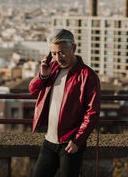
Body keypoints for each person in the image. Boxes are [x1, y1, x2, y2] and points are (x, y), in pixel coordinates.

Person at [29, 29, 101, 177]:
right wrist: (42, 75)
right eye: (53, 53)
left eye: (61, 52)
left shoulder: (87, 75)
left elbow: (92, 112)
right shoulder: (52, 69)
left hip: (70, 144)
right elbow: (33, 91)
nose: (57, 58)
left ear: (73, 48)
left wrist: (77, 140)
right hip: (49, 141)